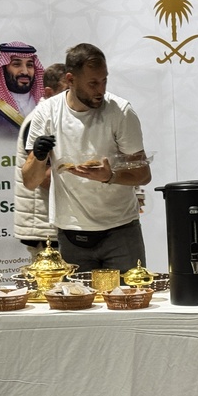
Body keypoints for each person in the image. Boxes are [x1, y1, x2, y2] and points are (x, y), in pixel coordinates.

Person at [21, 43, 152, 273]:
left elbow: (143, 175)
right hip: (71, 233)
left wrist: (110, 176)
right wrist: (39, 156)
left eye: (104, 81)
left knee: (130, 295)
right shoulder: (46, 113)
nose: (100, 90)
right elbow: (30, 181)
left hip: (121, 230)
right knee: (77, 297)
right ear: (70, 79)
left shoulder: (120, 111)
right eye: (93, 83)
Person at [13, 63, 68, 256]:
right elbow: (42, 178)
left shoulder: (58, 118)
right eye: (67, 91)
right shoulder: (40, 120)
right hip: (45, 229)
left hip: (55, 226)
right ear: (49, 92)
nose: (73, 97)